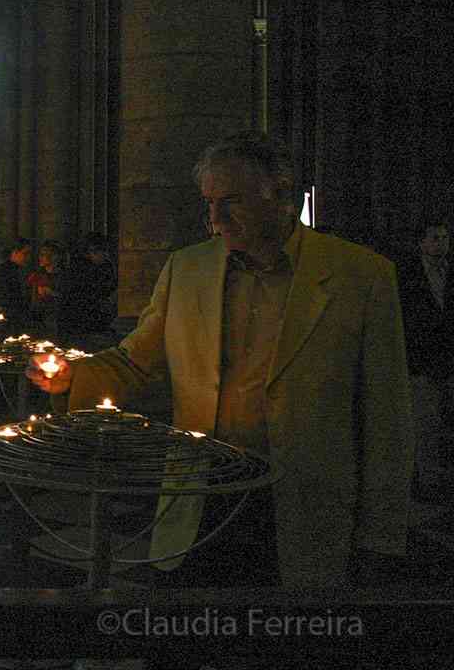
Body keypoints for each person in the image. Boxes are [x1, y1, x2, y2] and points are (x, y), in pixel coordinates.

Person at [27, 133, 413, 588]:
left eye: (231, 201)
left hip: (302, 504)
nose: (215, 219)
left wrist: (381, 536)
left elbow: (386, 416)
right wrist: (71, 377)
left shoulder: (361, 274)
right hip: (198, 498)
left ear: (282, 196)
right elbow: (135, 361)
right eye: (208, 202)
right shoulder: (187, 269)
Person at [398, 219, 454, 504]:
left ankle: (437, 477)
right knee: (426, 424)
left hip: (445, 359)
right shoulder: (407, 276)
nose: (441, 243)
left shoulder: (447, 273)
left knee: (440, 423)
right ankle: (428, 479)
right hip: (421, 359)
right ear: (421, 242)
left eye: (444, 238)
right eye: (435, 238)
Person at [58, 233, 117, 342]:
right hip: (81, 321)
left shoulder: (104, 267)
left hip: (90, 319)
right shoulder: (80, 271)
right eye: (103, 252)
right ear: (91, 252)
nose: (106, 255)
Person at [0, 238, 32, 331]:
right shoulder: (6, 272)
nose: (28, 258)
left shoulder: (15, 270)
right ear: (15, 252)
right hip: (9, 319)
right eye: (25, 253)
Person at [27, 239, 63, 336]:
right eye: (40, 254)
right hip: (38, 319)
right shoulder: (36, 275)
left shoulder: (63, 276)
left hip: (58, 319)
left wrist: (51, 292)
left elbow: (69, 297)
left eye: (44, 255)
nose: (41, 258)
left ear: (55, 257)